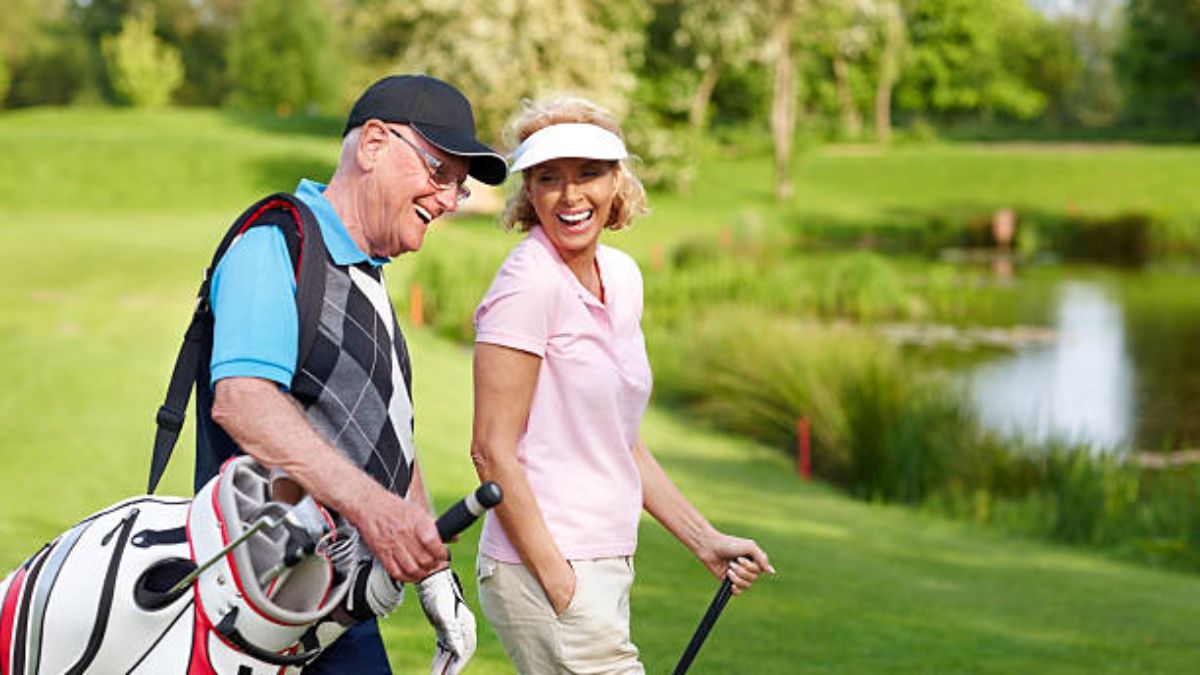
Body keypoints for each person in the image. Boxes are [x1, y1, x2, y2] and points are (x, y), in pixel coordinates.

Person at [205, 74, 507, 674]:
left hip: (332, 615)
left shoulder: (365, 272)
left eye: (460, 187)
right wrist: (375, 511)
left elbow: (386, 434)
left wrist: (435, 578)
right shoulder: (276, 241)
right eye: (439, 173)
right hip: (259, 613)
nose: (449, 199)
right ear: (372, 144)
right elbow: (242, 402)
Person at [469, 97, 775, 673]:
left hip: (606, 561)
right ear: (528, 193)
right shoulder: (527, 284)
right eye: (549, 178)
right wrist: (559, 579)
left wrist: (704, 540)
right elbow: (490, 449)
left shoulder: (623, 278)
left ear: (617, 181)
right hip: (547, 567)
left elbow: (620, 439)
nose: (570, 195)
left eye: (589, 173)